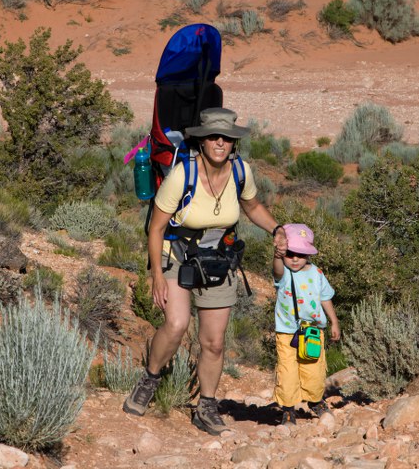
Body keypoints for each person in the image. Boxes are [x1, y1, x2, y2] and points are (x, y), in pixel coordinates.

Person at [123, 107, 288, 435]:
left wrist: (277, 229)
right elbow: (155, 228)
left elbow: (252, 206)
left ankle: (207, 407)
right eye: (213, 136)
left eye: (226, 137)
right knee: (176, 324)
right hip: (178, 257)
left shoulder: (241, 172)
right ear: (201, 140)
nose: (220, 143)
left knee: (213, 342)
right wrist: (157, 274)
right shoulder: (182, 176)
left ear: (233, 142)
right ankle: (150, 378)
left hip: (218, 260)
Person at [272, 223, 340, 425]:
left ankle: (315, 401)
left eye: (300, 254)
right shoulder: (284, 273)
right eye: (290, 253)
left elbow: (325, 298)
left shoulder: (317, 274)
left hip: (312, 331)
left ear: (308, 255)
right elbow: (276, 270)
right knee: (287, 372)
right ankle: (288, 409)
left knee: (313, 369)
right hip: (287, 333)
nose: (294, 259)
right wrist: (277, 255)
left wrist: (334, 321)